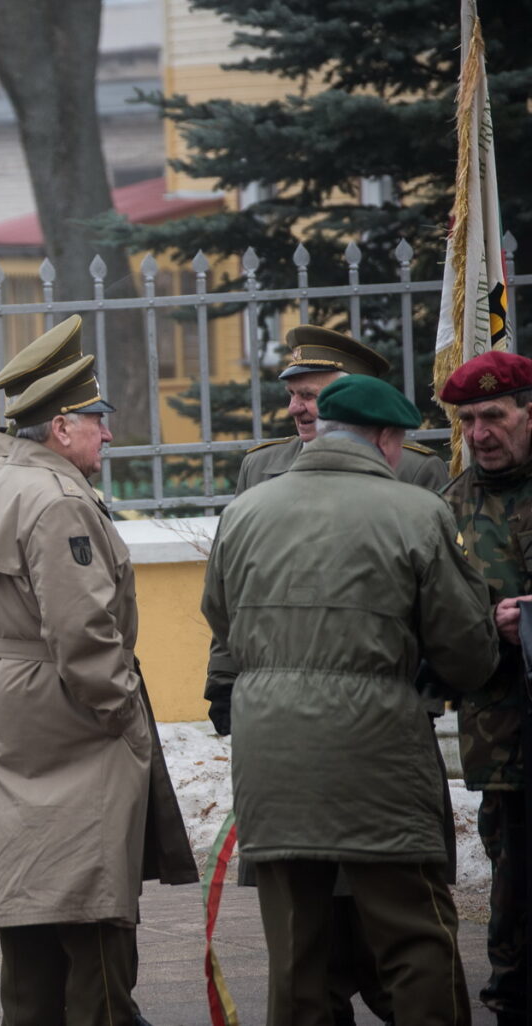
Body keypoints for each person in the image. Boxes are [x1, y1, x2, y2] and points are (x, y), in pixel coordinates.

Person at [202, 374, 499, 1026]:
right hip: (379, 755)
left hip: (270, 761)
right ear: (387, 438)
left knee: (296, 951)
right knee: (413, 934)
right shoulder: (417, 513)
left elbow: (222, 622)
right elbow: (467, 652)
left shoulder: (246, 512)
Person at [0, 320, 194, 1025]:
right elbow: (86, 633)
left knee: (30, 904)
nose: (109, 435)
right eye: (100, 420)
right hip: (74, 718)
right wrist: (124, 715)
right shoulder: (57, 500)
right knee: (93, 907)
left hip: (13, 702)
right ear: (62, 427)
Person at [437, 350, 532, 1026]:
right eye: (468, 420)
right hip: (503, 733)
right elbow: (433, 621)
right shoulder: (451, 509)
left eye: (493, 416)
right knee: (517, 880)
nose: (479, 433)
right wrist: (486, 625)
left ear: (528, 413)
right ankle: (513, 1003)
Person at [234, 325, 447, 493]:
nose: (293, 409)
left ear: (354, 399)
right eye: (292, 394)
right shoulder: (257, 465)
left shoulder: (417, 470)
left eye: (308, 395)